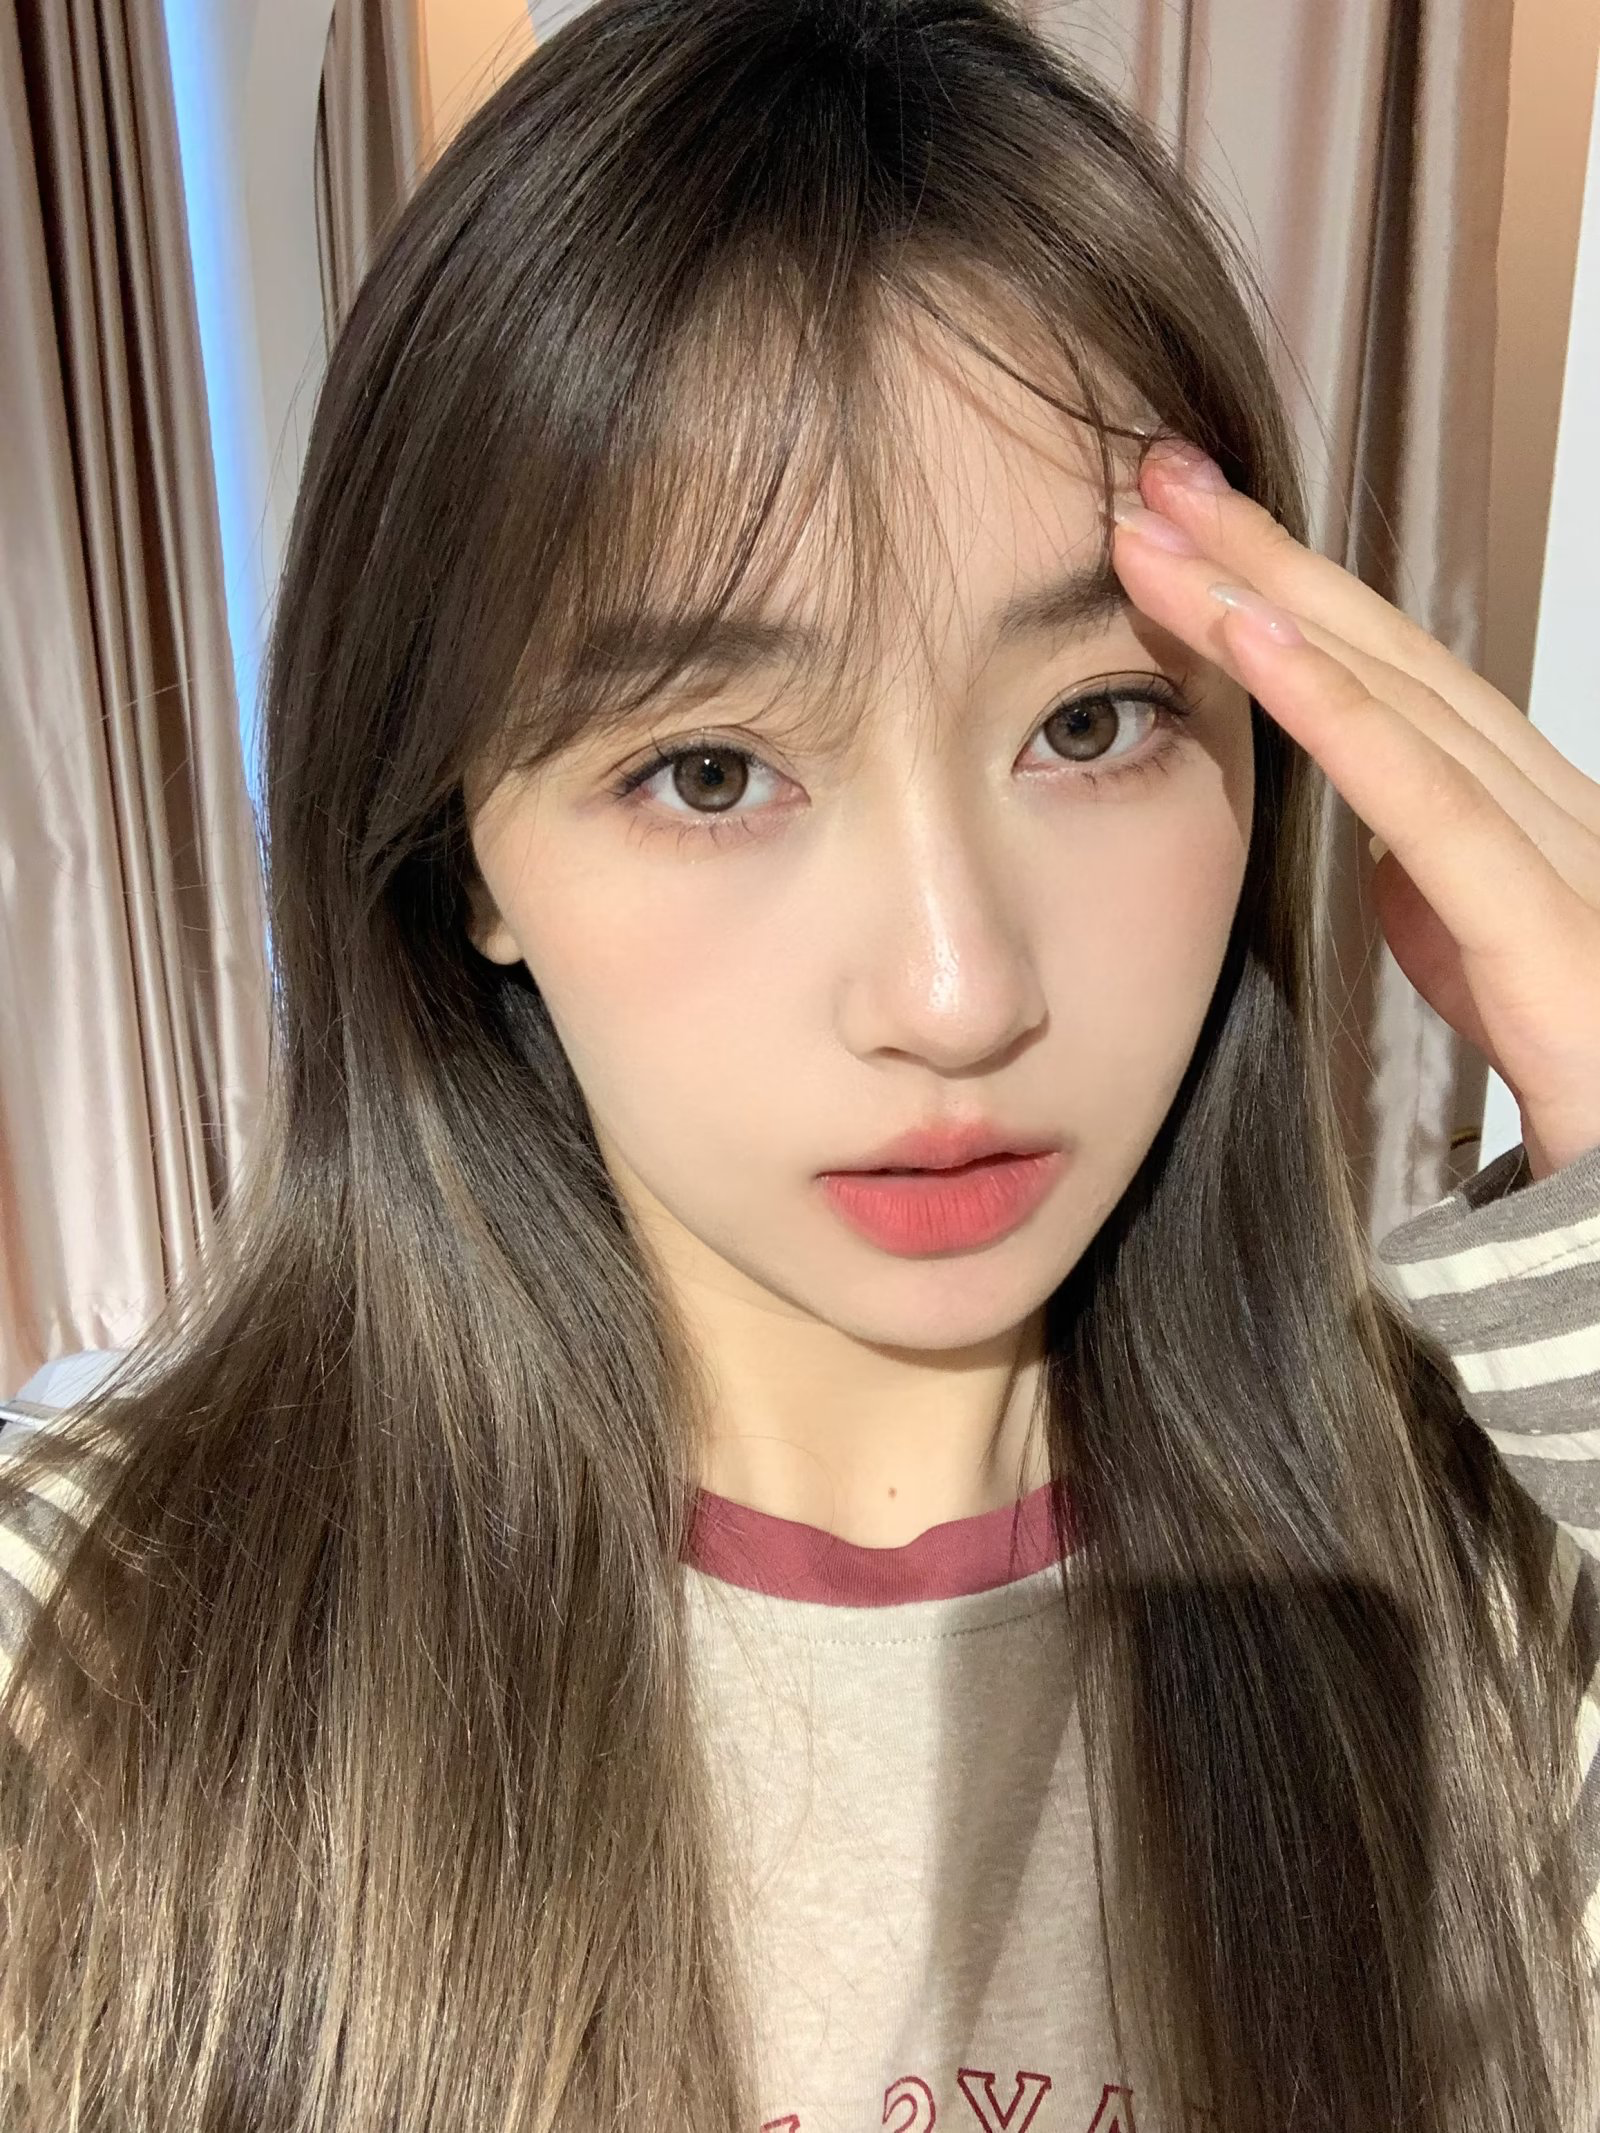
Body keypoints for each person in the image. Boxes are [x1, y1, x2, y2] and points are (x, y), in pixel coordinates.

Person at [3, 0, 1600, 2124]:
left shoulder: (1501, 1598)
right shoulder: (85, 1651)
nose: (954, 993)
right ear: (462, 851)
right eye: (708, 768)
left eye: (1093, 722)